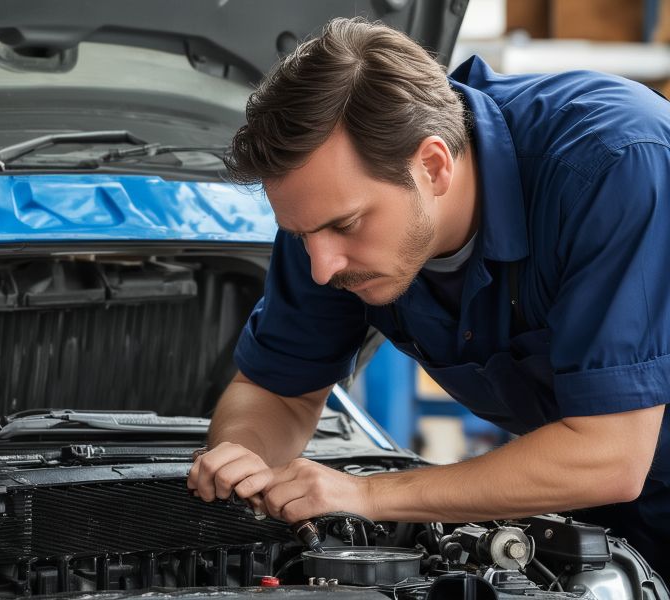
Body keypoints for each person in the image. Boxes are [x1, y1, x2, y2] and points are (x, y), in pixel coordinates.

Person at [186, 17, 670, 578]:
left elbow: (609, 455)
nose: (321, 268)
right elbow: (278, 390)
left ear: (434, 166)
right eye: (302, 235)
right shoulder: (327, 215)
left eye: (344, 226)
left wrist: (366, 496)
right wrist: (242, 456)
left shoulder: (614, 165)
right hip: (596, 521)